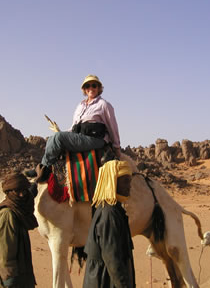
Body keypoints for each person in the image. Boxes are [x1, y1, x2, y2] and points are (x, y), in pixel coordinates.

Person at [35, 74, 121, 183]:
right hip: (80, 137)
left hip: (95, 139)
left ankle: (43, 171)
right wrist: (61, 133)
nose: (91, 88)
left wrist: (116, 147)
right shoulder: (80, 105)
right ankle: (42, 167)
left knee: (58, 138)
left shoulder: (104, 105)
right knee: (53, 138)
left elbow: (112, 126)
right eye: (87, 86)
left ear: (99, 88)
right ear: (84, 90)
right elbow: (74, 126)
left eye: (94, 85)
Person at [83, 160, 136, 288]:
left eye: (130, 181)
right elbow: (112, 258)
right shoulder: (110, 213)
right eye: (125, 181)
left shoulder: (113, 209)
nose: (129, 186)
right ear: (113, 182)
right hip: (104, 281)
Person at [0, 172, 38, 288]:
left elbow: (30, 194)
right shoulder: (8, 215)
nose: (22, 195)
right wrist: (10, 282)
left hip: (22, 277)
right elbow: (4, 254)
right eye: (17, 191)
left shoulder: (18, 211)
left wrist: (37, 180)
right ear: (9, 193)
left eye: (24, 191)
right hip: (12, 280)